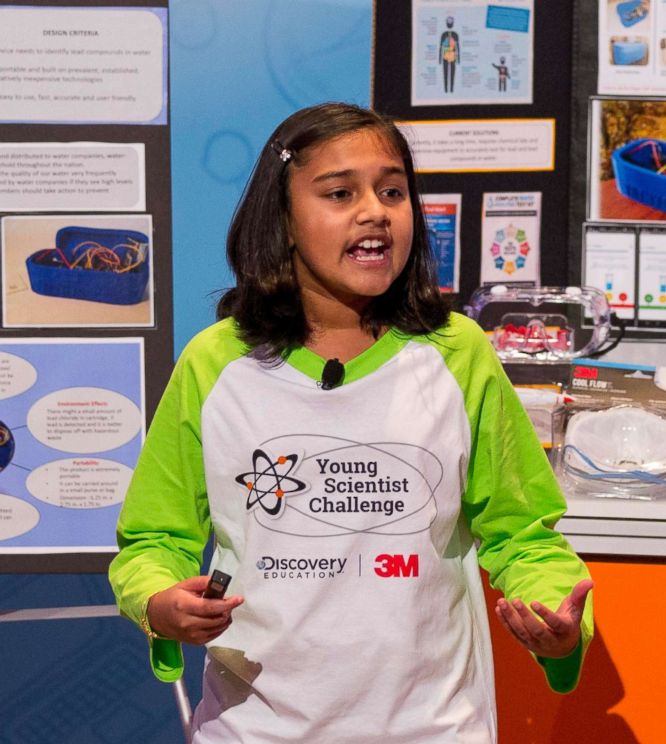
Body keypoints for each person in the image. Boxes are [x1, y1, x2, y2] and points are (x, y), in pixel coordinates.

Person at [108, 101, 593, 743]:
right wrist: (160, 602)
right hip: (255, 732)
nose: (375, 211)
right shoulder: (216, 362)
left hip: (432, 730)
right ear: (282, 219)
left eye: (392, 191)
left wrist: (556, 619)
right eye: (340, 193)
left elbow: (523, 535)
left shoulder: (458, 353)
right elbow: (154, 539)